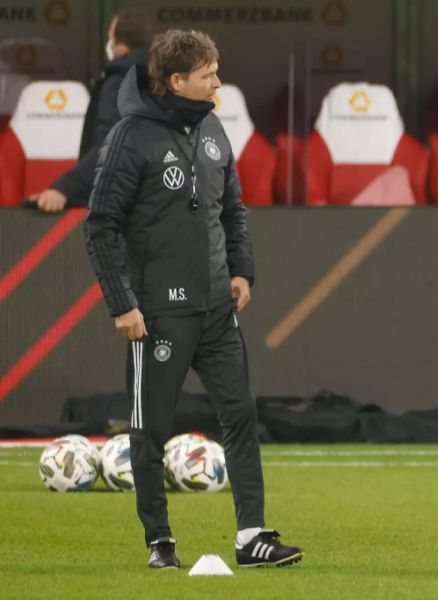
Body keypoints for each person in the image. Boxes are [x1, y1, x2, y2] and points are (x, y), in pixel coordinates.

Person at [84, 29, 303, 570]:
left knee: (240, 416)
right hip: (156, 312)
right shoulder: (129, 137)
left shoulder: (212, 127)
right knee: (150, 426)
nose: (218, 81)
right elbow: (100, 225)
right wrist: (122, 304)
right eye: (209, 74)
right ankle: (160, 541)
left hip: (215, 308)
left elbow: (233, 208)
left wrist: (242, 271)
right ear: (178, 80)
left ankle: (252, 536)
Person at [28, 8, 153, 213]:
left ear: (118, 41)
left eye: (110, 35)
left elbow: (111, 147)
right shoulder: (168, 80)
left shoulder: (120, 82)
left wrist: (65, 188)